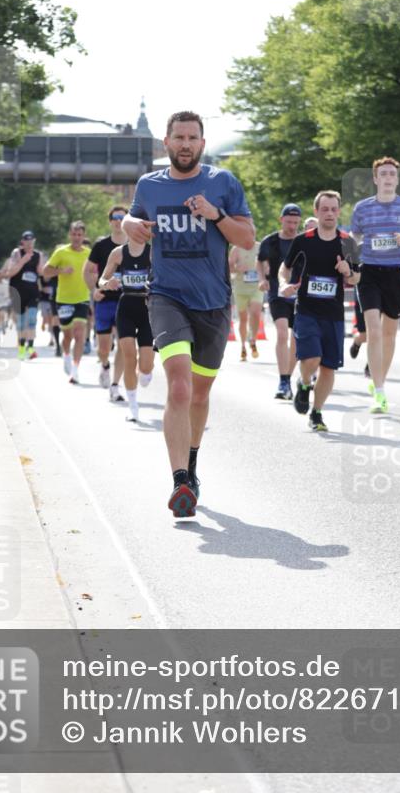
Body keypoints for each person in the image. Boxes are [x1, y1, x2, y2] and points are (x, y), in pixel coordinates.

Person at [123, 110, 254, 517]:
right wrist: (130, 223)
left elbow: (247, 238)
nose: (184, 144)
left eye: (192, 138)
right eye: (178, 137)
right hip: (166, 296)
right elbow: (134, 216)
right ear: (166, 143)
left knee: (199, 393)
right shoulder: (150, 184)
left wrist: (215, 215)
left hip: (214, 301)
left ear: (202, 142)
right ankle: (180, 480)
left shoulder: (222, 183)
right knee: (178, 387)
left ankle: (192, 464)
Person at [350, 157, 400, 414]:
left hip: (395, 274)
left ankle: (380, 379)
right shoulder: (362, 208)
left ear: (397, 178)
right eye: (383, 173)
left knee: (390, 334)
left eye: (392, 173)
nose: (388, 177)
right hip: (369, 272)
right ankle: (379, 392)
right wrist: (356, 247)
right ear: (375, 178)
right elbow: (355, 237)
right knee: (373, 330)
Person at [279, 191, 360, 431]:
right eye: (324, 209)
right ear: (316, 212)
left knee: (328, 367)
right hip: (306, 310)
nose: (329, 213)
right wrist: (284, 285)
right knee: (312, 358)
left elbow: (357, 279)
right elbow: (285, 269)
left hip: (333, 314)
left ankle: (317, 413)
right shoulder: (304, 240)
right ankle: (304, 384)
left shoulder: (348, 242)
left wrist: (348, 271)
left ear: (339, 211)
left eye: (334, 209)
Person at [99, 237, 154, 422]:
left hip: (147, 310)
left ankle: (146, 371)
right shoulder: (118, 253)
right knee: (130, 357)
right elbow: (102, 279)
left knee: (146, 366)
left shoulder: (153, 252)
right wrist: (107, 283)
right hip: (126, 308)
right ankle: (133, 406)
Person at [258, 204, 302, 399]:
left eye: (295, 222)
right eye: (289, 221)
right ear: (281, 219)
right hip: (278, 293)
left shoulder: (303, 241)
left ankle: (289, 377)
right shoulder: (271, 241)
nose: (292, 226)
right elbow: (260, 261)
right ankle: (283, 380)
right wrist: (261, 279)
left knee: (295, 338)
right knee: (282, 333)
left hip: (301, 295)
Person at [43, 221, 95, 384]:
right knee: (67, 336)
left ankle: (75, 369)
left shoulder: (89, 253)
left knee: (79, 333)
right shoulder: (61, 252)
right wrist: (61, 271)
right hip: (64, 300)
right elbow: (45, 272)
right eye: (74, 234)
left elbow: (95, 272)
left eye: (80, 235)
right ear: (70, 235)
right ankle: (66, 355)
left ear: (84, 236)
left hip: (82, 299)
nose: (77, 237)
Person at [90, 207, 128, 400]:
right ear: (110, 221)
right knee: (104, 348)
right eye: (115, 217)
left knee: (124, 344)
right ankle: (105, 365)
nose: (118, 220)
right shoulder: (101, 245)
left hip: (127, 301)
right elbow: (87, 271)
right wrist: (94, 290)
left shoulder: (135, 245)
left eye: (122, 217)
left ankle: (115, 385)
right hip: (105, 300)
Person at [3, 231, 44, 360]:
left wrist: (43, 268)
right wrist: (23, 261)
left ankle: (31, 348)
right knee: (21, 323)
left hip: (33, 292)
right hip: (18, 293)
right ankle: (21, 349)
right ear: (23, 242)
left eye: (32, 241)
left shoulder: (38, 255)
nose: (30, 244)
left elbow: (41, 272)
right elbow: (10, 272)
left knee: (32, 320)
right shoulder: (16, 253)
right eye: (27, 241)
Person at [229, 241, 263, 361]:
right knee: (243, 319)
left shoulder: (260, 247)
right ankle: (243, 346)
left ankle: (252, 339)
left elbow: (268, 263)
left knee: (256, 312)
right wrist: (237, 268)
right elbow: (229, 267)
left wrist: (266, 269)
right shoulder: (237, 249)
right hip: (241, 288)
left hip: (257, 287)